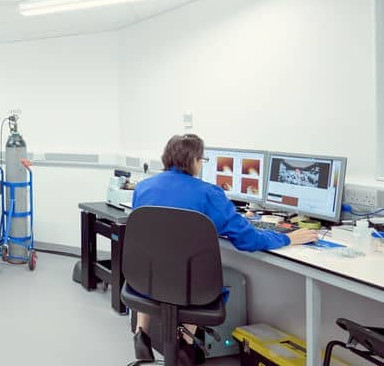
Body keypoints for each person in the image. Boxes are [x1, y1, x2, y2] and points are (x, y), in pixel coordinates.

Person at [130, 134, 318, 364]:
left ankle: (142, 333)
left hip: (145, 281)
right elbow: (249, 240)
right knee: (195, 280)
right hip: (193, 289)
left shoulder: (143, 187)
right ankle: (186, 343)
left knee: (159, 261)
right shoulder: (210, 194)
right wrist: (288, 238)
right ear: (195, 160)